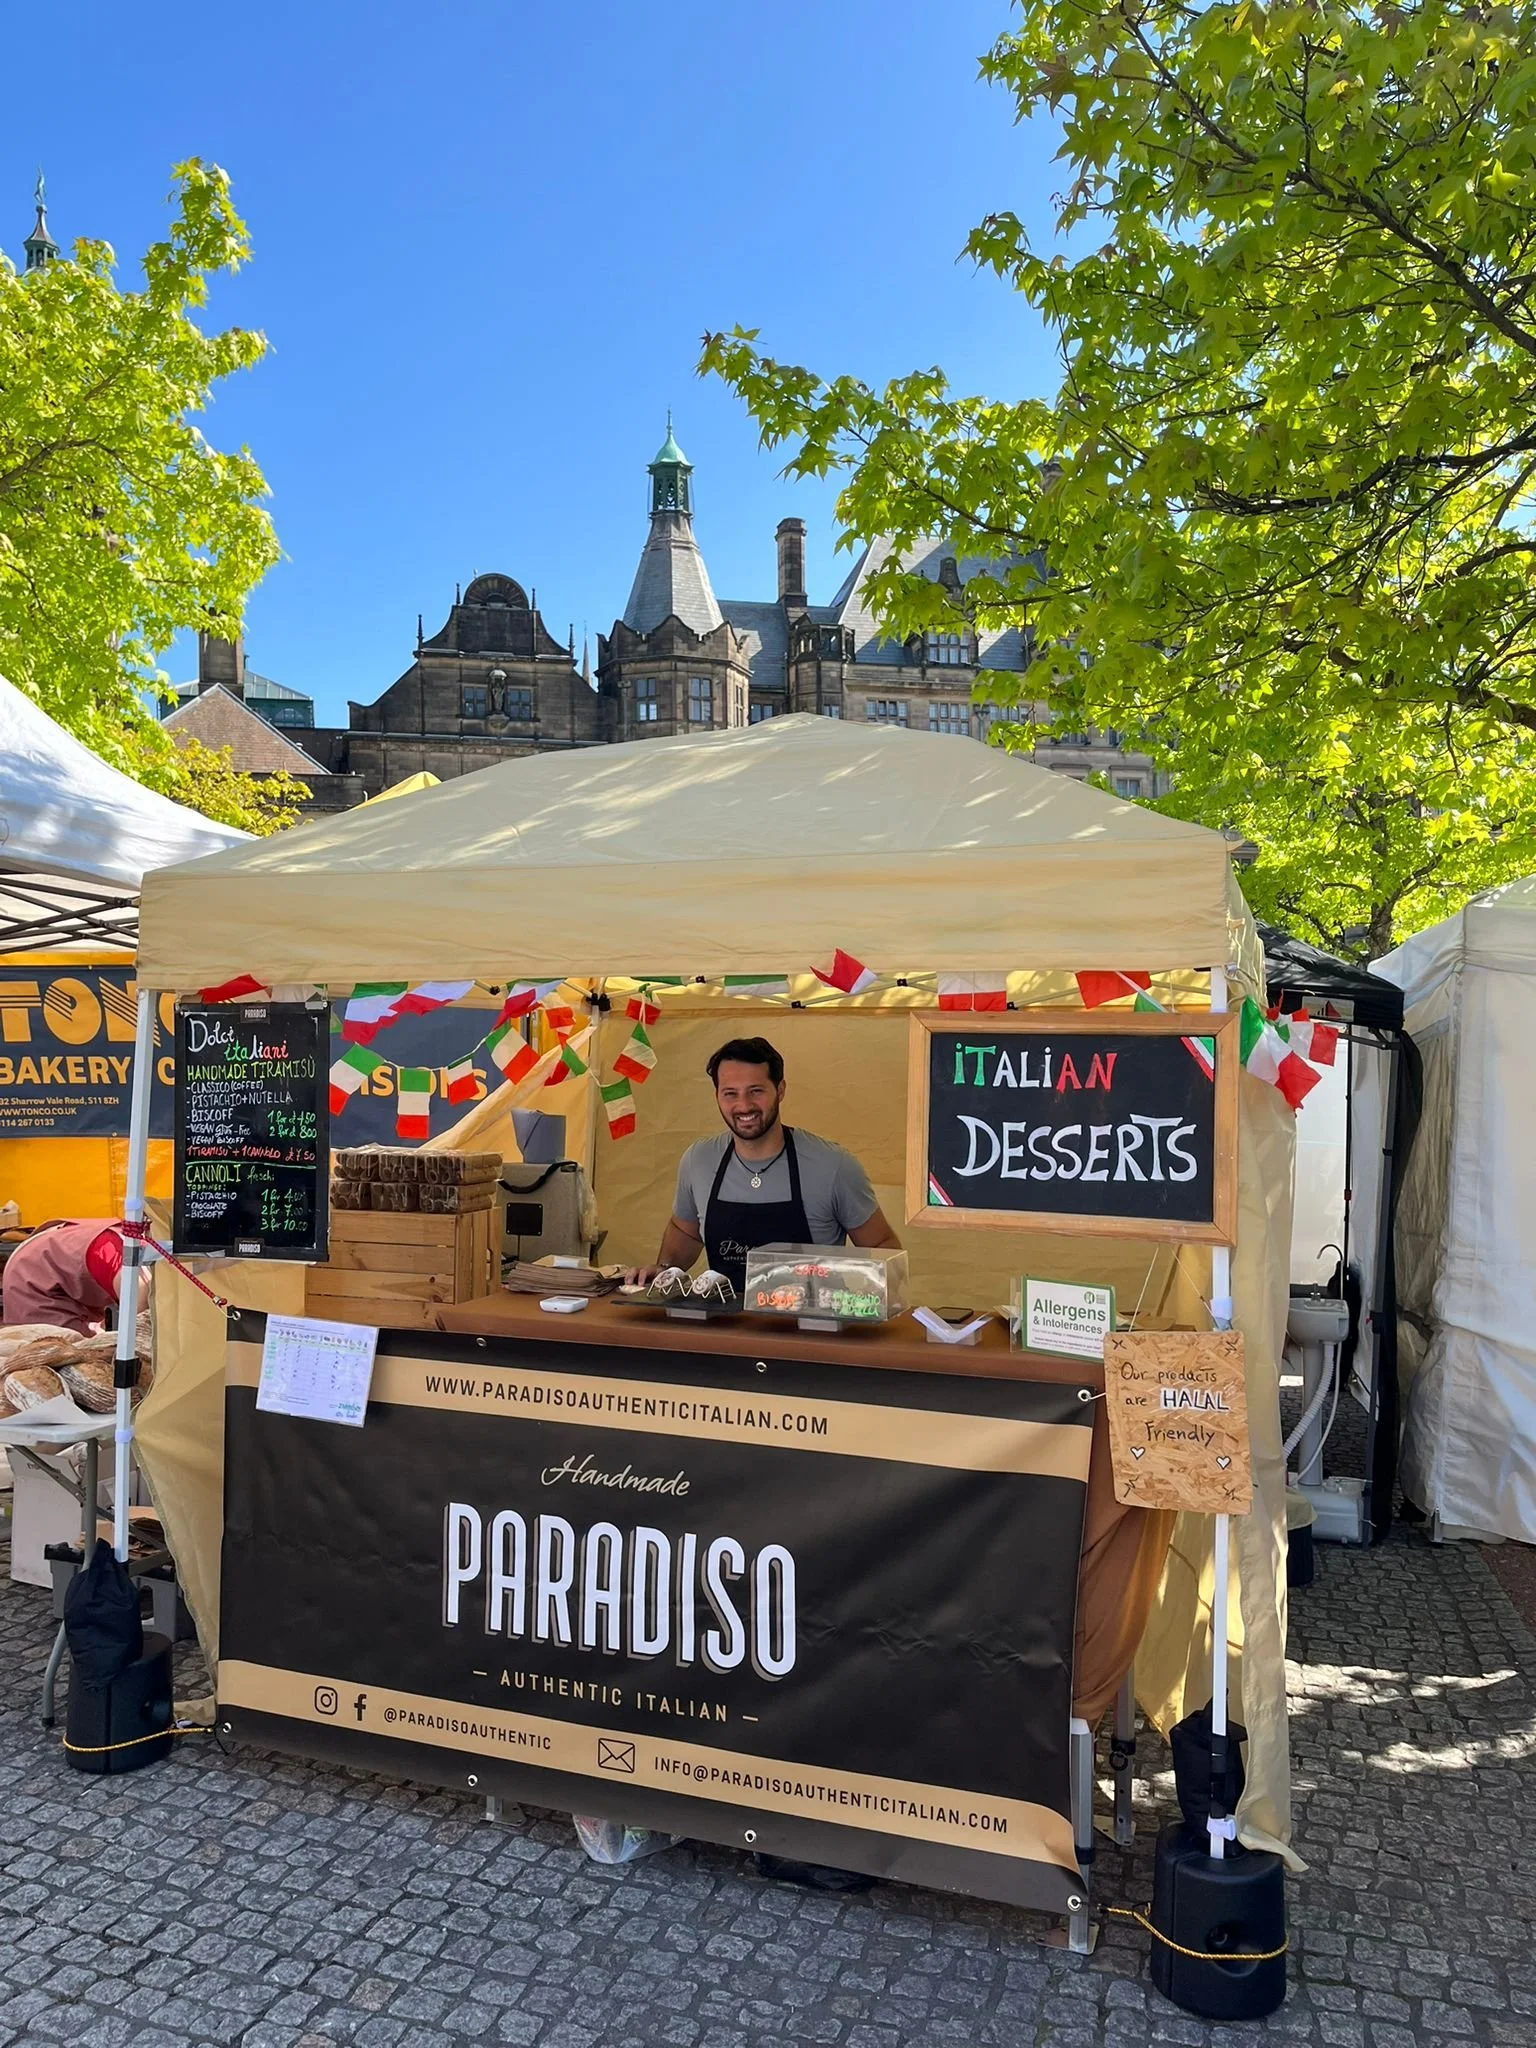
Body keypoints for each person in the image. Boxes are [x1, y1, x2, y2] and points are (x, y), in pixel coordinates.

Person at [628, 1036, 900, 1294]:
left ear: (780, 1090)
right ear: (717, 1096)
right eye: (730, 1093)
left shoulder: (833, 1166)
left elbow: (882, 1246)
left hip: (811, 1332)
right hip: (726, 1331)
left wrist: (864, 1302)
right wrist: (664, 1270)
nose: (744, 1105)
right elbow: (685, 1230)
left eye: (755, 1091)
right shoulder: (698, 1160)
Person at [0, 1220, 146, 1335]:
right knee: (58, 1351)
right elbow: (140, 1308)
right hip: (30, 1275)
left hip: (58, 1256)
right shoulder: (112, 1252)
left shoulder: (139, 1244)